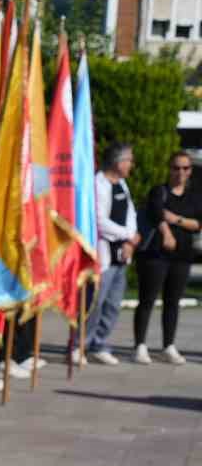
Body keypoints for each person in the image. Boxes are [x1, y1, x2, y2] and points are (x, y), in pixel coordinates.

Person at [131, 150, 196, 365]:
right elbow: (156, 213)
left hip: (182, 256)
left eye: (185, 168)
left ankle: (168, 345)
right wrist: (167, 232)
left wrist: (175, 219)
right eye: (176, 168)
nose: (180, 172)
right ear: (170, 169)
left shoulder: (194, 196)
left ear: (190, 171)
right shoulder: (159, 191)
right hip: (155, 255)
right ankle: (140, 345)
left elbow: (197, 224)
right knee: (147, 300)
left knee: (172, 302)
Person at [83, 142, 138, 365]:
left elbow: (131, 212)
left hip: (122, 253)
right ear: (118, 162)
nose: (131, 165)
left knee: (113, 303)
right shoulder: (99, 184)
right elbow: (99, 219)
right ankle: (80, 344)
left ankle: (100, 343)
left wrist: (131, 239)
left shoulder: (122, 184)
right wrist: (126, 235)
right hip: (104, 252)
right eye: (129, 160)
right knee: (95, 301)